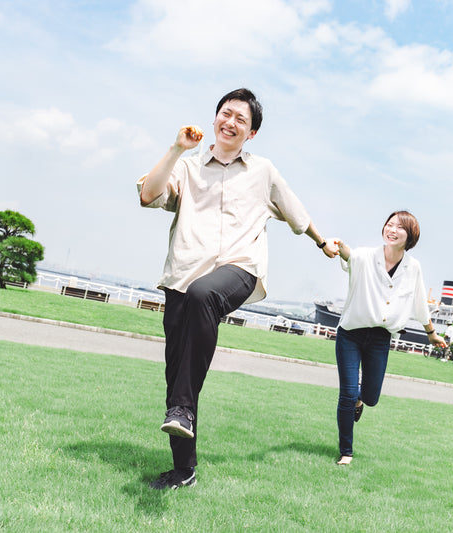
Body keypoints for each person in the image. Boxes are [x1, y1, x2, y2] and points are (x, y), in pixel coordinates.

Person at [137, 88, 338, 489]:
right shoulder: (188, 167)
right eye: (225, 114)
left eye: (240, 119)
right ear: (214, 119)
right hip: (183, 275)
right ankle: (183, 469)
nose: (231, 122)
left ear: (252, 133)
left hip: (239, 270)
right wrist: (177, 148)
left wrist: (323, 242)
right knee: (177, 374)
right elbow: (148, 195)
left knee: (204, 295)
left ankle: (181, 409)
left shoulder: (263, 171)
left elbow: (298, 214)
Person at [332, 211, 446, 465]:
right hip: (350, 333)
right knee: (347, 395)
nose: (391, 230)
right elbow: (349, 254)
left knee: (370, 397)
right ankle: (346, 451)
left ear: (410, 236)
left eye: (399, 227)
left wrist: (432, 334)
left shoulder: (412, 267)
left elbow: (418, 302)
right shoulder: (365, 256)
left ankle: (361, 400)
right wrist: (336, 245)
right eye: (389, 224)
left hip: (380, 339)